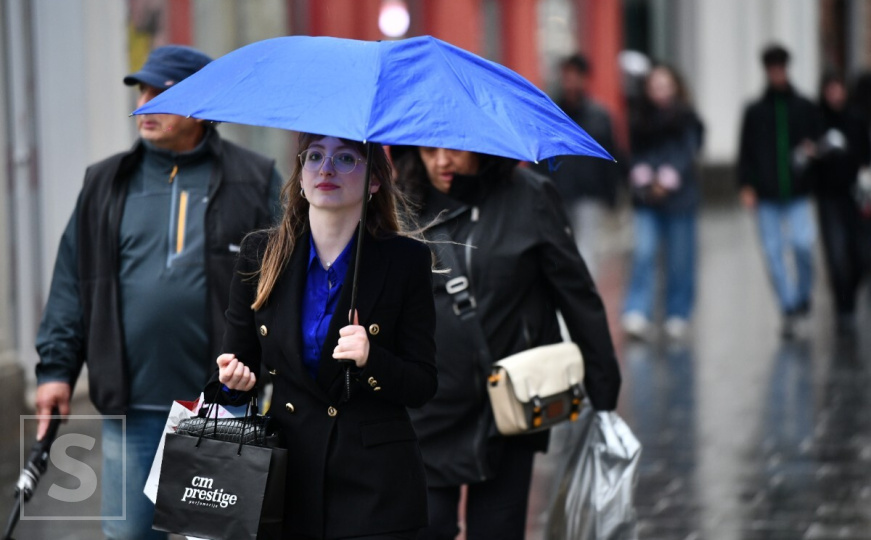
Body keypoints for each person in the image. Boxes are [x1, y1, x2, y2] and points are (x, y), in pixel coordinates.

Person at [33, 45, 283, 540]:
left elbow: (284, 279)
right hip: (133, 407)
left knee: (209, 537)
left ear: (202, 105)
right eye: (141, 91)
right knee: (128, 536)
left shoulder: (254, 180)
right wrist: (57, 369)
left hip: (220, 408)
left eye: (161, 93)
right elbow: (71, 281)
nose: (144, 103)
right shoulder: (105, 182)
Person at [215, 133, 437, 539]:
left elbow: (423, 384)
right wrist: (232, 383)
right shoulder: (260, 254)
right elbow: (235, 366)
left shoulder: (405, 261)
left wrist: (373, 360)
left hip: (377, 490)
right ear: (300, 177)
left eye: (347, 158)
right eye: (314, 156)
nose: (327, 168)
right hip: (288, 480)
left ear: (374, 181)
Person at [393, 146, 621, 540]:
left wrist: (604, 393)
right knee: (427, 528)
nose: (442, 161)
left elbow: (575, 292)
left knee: (497, 531)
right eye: (429, 150)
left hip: (511, 408)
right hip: (428, 412)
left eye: (455, 148)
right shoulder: (398, 205)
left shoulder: (529, 196)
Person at [737, 44, 823, 338]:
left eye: (780, 68)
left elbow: (818, 143)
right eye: (772, 69)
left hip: (798, 191)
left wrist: (813, 156)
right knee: (773, 252)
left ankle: (802, 295)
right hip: (767, 194)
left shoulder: (804, 107)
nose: (776, 74)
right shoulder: (755, 111)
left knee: (802, 245)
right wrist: (746, 185)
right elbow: (745, 150)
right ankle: (788, 306)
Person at [621, 64, 704, 340]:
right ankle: (637, 311)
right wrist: (644, 176)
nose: (659, 91)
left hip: (680, 200)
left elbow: (688, 153)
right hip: (646, 199)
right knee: (643, 253)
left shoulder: (688, 118)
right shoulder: (638, 118)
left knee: (680, 260)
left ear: (675, 87)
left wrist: (668, 178)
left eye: (664, 85)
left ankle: (677, 314)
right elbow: (631, 153)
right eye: (654, 86)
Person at [532, 53, 622, 277]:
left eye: (574, 76)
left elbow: (610, 157)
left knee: (587, 250)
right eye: (566, 76)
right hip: (555, 191)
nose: (570, 82)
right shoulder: (549, 113)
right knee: (558, 248)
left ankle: (584, 300)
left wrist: (612, 196)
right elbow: (538, 154)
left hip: (588, 193)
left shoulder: (600, 116)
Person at [811, 72, 870, 334]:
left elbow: (865, 156)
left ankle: (851, 293)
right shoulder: (816, 120)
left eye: (838, 89)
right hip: (827, 197)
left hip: (855, 194)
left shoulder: (856, 118)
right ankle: (842, 306)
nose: (835, 95)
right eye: (830, 89)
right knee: (835, 253)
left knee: (861, 253)